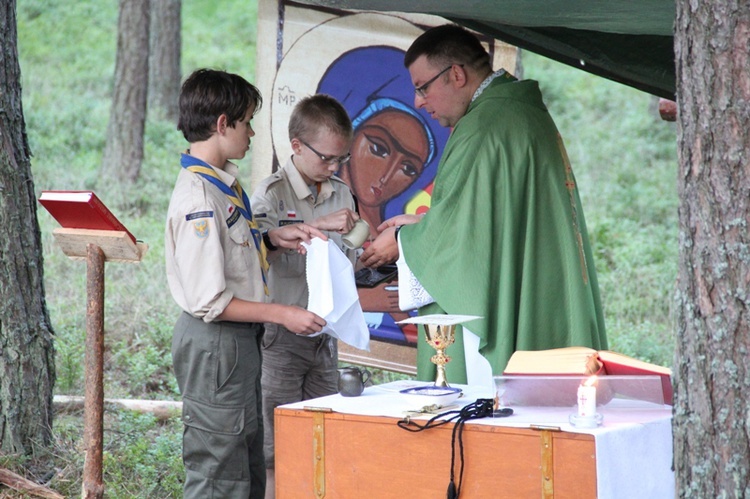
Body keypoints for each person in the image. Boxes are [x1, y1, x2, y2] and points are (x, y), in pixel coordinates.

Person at [360, 24, 608, 388]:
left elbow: (467, 239)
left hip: (498, 301)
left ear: (456, 74)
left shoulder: (484, 126)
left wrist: (402, 239)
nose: (418, 101)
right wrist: (416, 223)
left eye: (422, 87)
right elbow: (494, 218)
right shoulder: (515, 111)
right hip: (541, 283)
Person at [165, 68, 328, 499]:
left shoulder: (222, 185)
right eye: (247, 121)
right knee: (219, 472)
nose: (252, 132)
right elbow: (210, 299)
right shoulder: (199, 198)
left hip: (237, 344)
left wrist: (271, 238)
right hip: (216, 342)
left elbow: (230, 252)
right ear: (223, 124)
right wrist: (283, 314)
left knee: (244, 461)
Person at [250, 94, 358, 498]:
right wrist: (318, 224)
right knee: (277, 449)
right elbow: (258, 249)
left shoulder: (341, 192)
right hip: (280, 337)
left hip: (323, 338)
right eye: (326, 158)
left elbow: (349, 260)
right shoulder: (271, 194)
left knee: (323, 436)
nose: (333, 168)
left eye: (339, 160)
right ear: (296, 146)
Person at [317, 45, 449, 345]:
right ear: (350, 137)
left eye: (408, 168)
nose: (387, 176)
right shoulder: (319, 211)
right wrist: (363, 300)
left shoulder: (400, 231)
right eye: (378, 148)